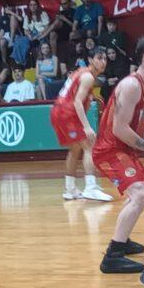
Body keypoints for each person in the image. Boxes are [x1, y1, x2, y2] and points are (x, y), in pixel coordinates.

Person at [92, 35, 144, 274]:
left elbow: (138, 128)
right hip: (110, 150)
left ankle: (123, 239)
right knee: (140, 193)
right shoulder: (132, 85)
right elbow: (120, 129)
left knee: (138, 192)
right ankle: (112, 255)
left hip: (123, 148)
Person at [49, 46, 112, 202]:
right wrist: (86, 126)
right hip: (67, 114)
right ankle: (91, 188)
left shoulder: (82, 72)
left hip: (59, 112)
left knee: (75, 149)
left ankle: (70, 189)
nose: (103, 62)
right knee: (89, 145)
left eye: (105, 58)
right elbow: (77, 102)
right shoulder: (88, 77)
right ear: (90, 60)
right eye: (99, 58)